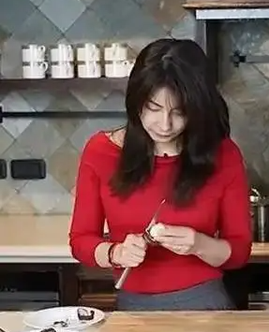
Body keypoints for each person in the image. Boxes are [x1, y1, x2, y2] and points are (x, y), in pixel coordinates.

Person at [69, 38, 252, 311]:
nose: (165, 125)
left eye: (180, 112)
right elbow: (81, 241)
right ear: (136, 100)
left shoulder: (224, 154)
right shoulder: (100, 151)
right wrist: (116, 252)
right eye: (154, 109)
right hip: (132, 305)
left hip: (205, 303)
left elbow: (239, 252)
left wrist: (199, 244)